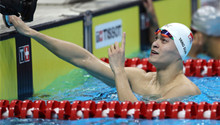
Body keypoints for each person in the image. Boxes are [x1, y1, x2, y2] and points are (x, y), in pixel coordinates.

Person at [9, 15, 200, 103]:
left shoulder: (185, 89)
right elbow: (84, 59)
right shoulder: (139, 77)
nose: (155, 44)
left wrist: (118, 70)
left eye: (164, 41)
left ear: (179, 54)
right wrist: (30, 33)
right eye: (156, 38)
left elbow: (137, 116)